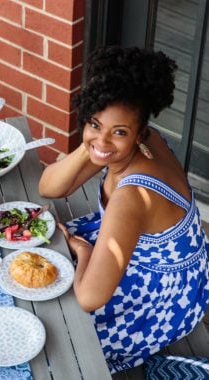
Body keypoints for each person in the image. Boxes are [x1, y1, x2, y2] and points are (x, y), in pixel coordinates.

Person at [39, 46, 209, 372]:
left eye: (119, 132)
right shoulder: (131, 142)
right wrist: (92, 143)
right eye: (93, 122)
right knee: (39, 248)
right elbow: (50, 188)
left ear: (139, 133)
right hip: (159, 252)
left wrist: (82, 249)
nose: (105, 141)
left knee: (59, 327)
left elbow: (90, 297)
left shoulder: (132, 196)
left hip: (166, 295)